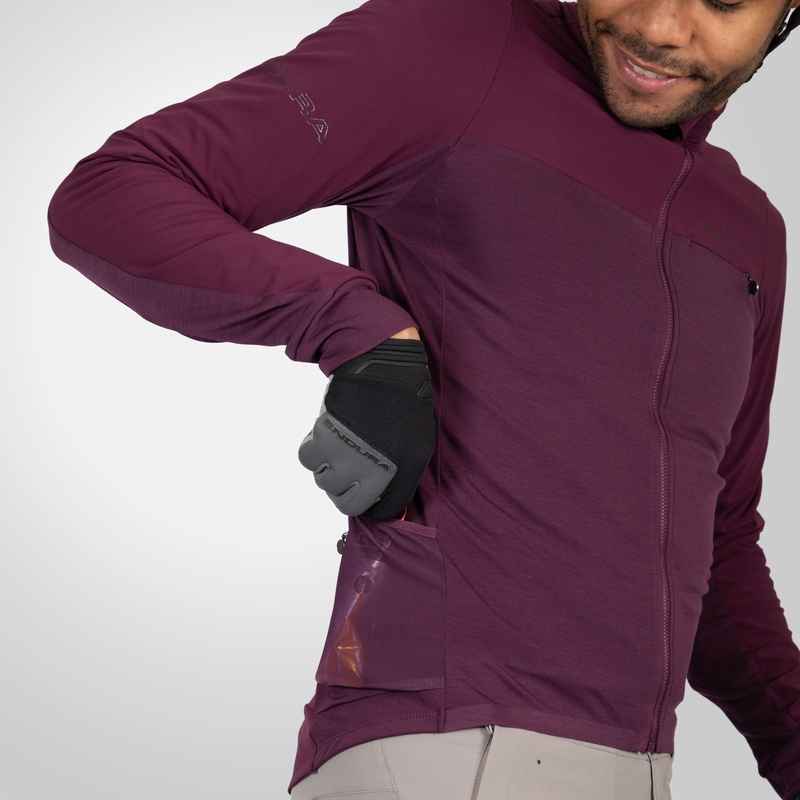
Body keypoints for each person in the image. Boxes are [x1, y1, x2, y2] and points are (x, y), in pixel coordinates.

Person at [47, 0, 800, 796]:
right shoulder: (457, 44)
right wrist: (354, 325)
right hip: (451, 749)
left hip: (637, 770)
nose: (659, 27)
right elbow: (117, 192)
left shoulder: (751, 233)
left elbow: (717, 544)